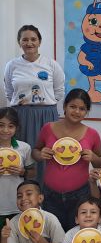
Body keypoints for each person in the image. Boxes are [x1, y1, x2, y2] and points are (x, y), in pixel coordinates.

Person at [32, 88, 101, 231]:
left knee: (77, 237)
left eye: (82, 109)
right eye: (73, 106)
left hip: (80, 195)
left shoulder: (92, 134)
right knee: (53, 235)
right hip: (50, 194)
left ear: (86, 112)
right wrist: (40, 154)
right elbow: (35, 151)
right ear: (64, 106)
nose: (77, 112)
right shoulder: (48, 128)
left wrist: (93, 157)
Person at [3, 25, 65, 184]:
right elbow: (10, 92)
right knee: (22, 155)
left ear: (39, 42)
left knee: (46, 156)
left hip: (46, 115)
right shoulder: (12, 65)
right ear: (19, 42)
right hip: (20, 116)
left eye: (33, 39)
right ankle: (21, 196)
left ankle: (44, 198)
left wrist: (42, 105)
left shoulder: (51, 64)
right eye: (25, 39)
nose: (29, 43)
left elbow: (58, 92)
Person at [0, 107, 35, 229]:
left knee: (13, 242)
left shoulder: (24, 148)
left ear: (16, 128)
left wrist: (23, 172)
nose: (5, 130)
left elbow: (32, 173)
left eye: (10, 126)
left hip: (16, 205)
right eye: (1, 125)